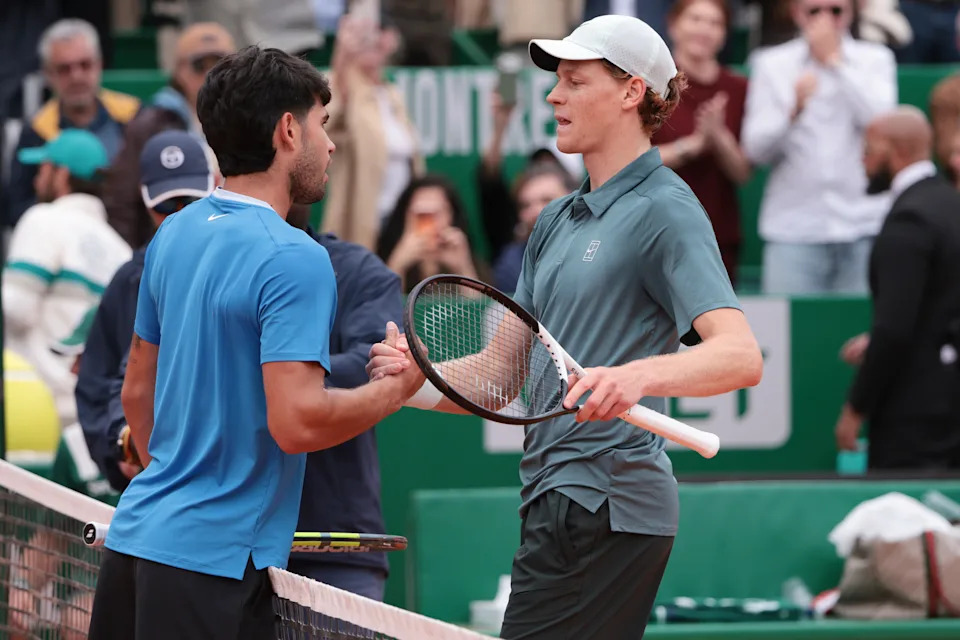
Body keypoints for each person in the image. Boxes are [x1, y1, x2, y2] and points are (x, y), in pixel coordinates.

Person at [369, 15, 763, 639]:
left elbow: (740, 356)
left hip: (609, 504)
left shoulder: (667, 209)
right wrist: (413, 379)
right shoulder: (554, 220)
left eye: (575, 81)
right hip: (554, 500)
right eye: (557, 82)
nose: (554, 95)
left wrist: (634, 377)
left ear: (632, 92)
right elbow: (499, 378)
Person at [86, 46, 424, 640]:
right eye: (323, 125)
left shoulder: (175, 235)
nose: (332, 144)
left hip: (135, 544)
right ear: (288, 131)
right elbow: (298, 422)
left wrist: (176, 480)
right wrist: (395, 391)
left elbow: (138, 392)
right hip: (208, 567)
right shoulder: (296, 257)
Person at [78, 129, 215, 493]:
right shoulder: (128, 281)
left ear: (214, 186)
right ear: (145, 199)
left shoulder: (240, 265)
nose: (181, 213)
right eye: (166, 204)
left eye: (191, 198)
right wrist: (120, 446)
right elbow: (95, 383)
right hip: (152, 486)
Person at [285, 204, 402, 600]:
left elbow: (370, 364)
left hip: (338, 545)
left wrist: (270, 378)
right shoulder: (202, 265)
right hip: (226, 546)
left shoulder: (358, 272)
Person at [742, 0, 897, 295]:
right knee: (792, 337)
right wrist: (792, 111)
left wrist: (835, 62)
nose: (825, 21)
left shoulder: (876, 59)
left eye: (836, 11)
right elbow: (755, 149)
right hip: (794, 228)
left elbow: (882, 124)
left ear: (851, 14)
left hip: (863, 223)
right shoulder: (770, 63)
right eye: (815, 11)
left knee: (859, 335)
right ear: (797, 13)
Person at [835, 107, 960, 470]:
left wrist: (855, 409)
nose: (864, 159)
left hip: (917, 418)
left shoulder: (910, 218)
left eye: (870, 148)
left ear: (895, 150)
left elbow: (894, 328)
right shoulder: (951, 204)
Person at [3, 129, 131, 429]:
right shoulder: (122, 250)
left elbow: (14, 308)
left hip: (35, 412)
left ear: (61, 176)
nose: (36, 179)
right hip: (92, 421)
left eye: (43, 168)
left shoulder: (43, 219)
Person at [102, 22, 236, 249]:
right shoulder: (149, 125)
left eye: (222, 65)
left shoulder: (248, 118)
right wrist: (138, 261)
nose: (210, 75)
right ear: (179, 69)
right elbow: (123, 201)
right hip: (166, 247)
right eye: (200, 65)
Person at [5, 18, 140, 227]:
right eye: (64, 69)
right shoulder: (34, 132)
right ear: (48, 75)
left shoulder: (135, 116)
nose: (76, 76)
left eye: (84, 65)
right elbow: (15, 210)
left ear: (99, 65)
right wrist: (48, 202)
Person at [653, 0, 751, 285]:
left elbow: (743, 172)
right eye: (695, 19)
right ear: (674, 25)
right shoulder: (649, 84)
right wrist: (694, 144)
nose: (704, 30)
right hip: (657, 231)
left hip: (716, 233)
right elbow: (631, 161)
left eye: (715, 23)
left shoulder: (738, 88)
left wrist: (718, 137)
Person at [320, 12, 423, 251]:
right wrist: (343, 52)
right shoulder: (345, 85)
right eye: (365, 36)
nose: (372, 41)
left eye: (379, 33)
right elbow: (332, 114)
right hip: (365, 221)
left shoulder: (391, 93)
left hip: (400, 218)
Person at [376, 175, 484, 292]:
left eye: (437, 213)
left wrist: (463, 269)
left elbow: (481, 309)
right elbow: (382, 307)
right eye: (422, 215)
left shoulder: (472, 261)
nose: (430, 223)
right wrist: (397, 265)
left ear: (452, 215)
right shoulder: (380, 263)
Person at [492, 164, 578, 294]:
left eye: (547, 200)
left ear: (576, 200)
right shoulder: (512, 263)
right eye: (525, 206)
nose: (536, 212)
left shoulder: (596, 248)